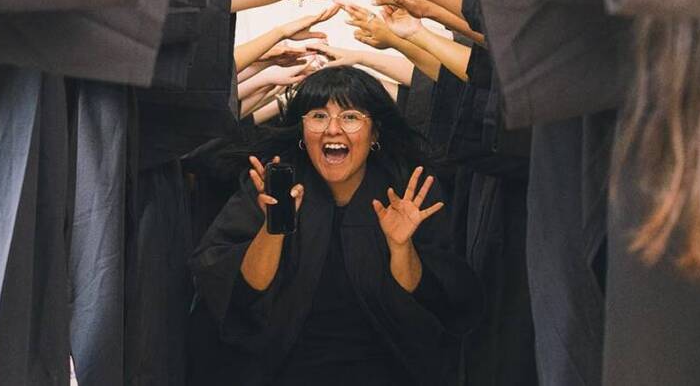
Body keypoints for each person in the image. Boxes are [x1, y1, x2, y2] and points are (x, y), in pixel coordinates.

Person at [189, 66, 482, 385]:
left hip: (389, 372)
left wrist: (401, 248)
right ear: (302, 132)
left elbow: (442, 305)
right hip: (283, 372)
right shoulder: (271, 187)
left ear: (375, 134)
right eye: (318, 116)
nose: (333, 129)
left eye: (350, 116)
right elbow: (235, 294)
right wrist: (273, 229)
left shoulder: (407, 191)